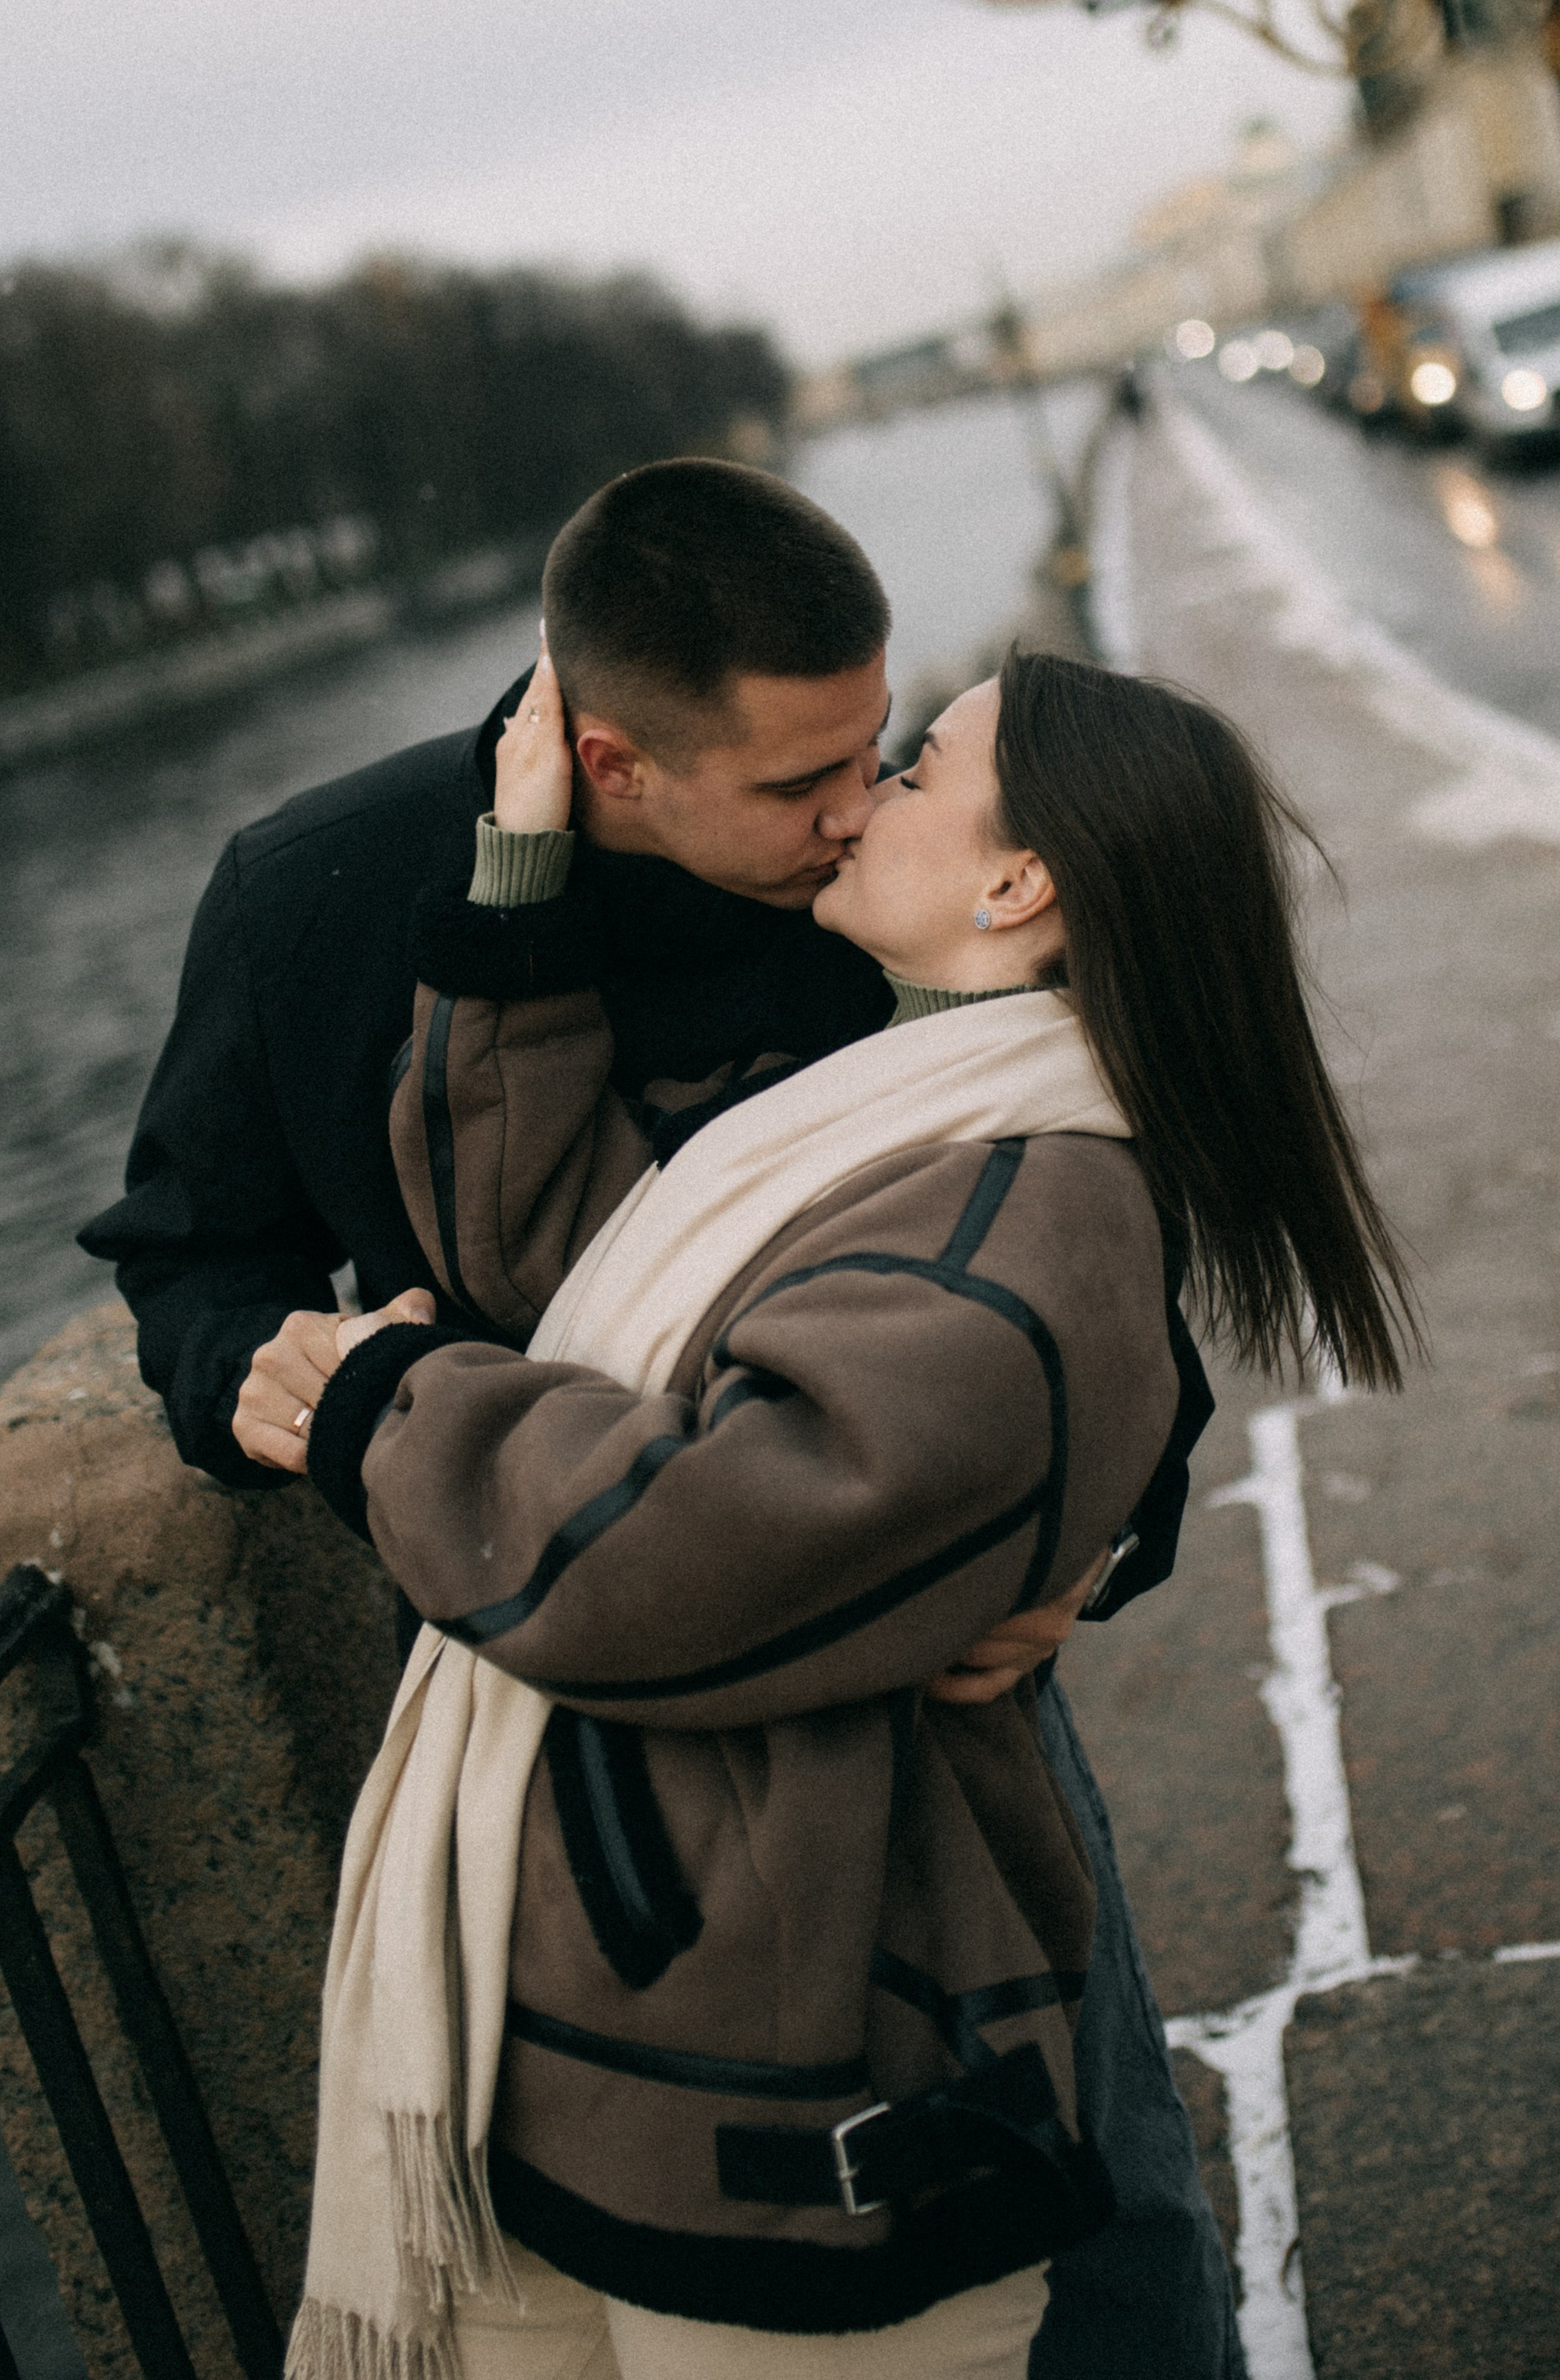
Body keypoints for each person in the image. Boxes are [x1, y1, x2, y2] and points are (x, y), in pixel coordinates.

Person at [80, 459, 1237, 2371]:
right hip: (545, 1706)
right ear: (612, 761)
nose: (851, 809)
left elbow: (1084, 1239)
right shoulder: (319, 899)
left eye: (876, 752)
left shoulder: (865, 889)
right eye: (799, 783)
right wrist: (281, 1387)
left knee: (1101, 2200)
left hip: (905, 1685)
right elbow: (190, 1265)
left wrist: (1101, 1536)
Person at [286, 645, 1414, 2380]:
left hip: (812, 1998)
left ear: (1015, 879)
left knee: (1110, 2253)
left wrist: (378, 1405)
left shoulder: (1017, 1192)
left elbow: (694, 1542)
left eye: (913, 767)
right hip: (730, 1943)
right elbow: (567, 1273)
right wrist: (519, 875)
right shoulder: (899, 1085)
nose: (860, 796)